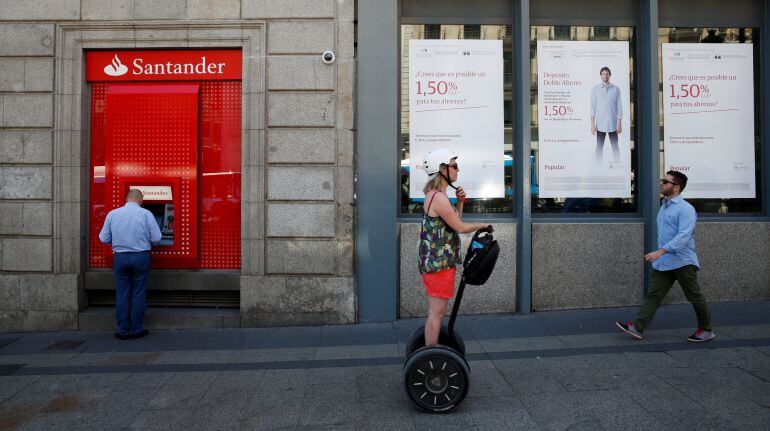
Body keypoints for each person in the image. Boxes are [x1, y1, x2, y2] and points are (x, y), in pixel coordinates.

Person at [616, 171, 715, 342]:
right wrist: (661, 255)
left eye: (665, 181)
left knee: (694, 296)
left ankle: (706, 330)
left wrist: (660, 252)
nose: (661, 184)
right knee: (654, 295)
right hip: (665, 262)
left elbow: (683, 237)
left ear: (676, 187)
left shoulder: (686, 209)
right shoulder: (664, 207)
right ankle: (637, 327)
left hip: (683, 262)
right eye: (662, 180)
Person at [419, 148, 491, 346]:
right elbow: (459, 227)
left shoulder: (438, 195)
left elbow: (453, 223)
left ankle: (430, 351)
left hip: (439, 262)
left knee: (438, 312)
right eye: (454, 166)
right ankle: (430, 355)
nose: (457, 170)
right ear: (442, 169)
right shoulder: (439, 197)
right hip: (438, 264)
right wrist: (482, 225)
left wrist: (460, 203)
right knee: (437, 313)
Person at [99, 189, 161, 340]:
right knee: (138, 293)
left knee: (122, 294)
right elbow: (157, 238)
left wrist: (117, 242)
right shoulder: (146, 214)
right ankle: (137, 329)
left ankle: (122, 331)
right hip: (141, 257)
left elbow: (103, 238)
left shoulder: (113, 214)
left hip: (120, 257)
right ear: (140, 199)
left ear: (127, 198)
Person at [590, 66, 623, 163]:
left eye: (607, 74)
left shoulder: (616, 89)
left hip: (613, 124)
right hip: (600, 124)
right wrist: (592, 125)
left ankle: (617, 165)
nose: (605, 76)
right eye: (603, 74)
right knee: (599, 148)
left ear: (610, 75)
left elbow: (619, 107)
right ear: (600, 75)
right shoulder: (595, 89)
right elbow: (592, 109)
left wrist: (619, 124)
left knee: (615, 147)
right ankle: (598, 167)